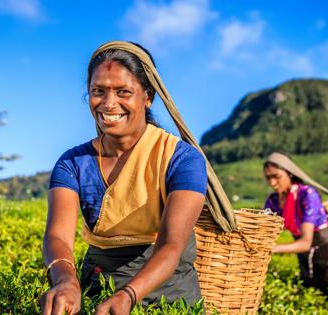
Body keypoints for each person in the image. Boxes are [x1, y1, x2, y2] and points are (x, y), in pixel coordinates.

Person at [40, 41, 207, 315]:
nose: (108, 103)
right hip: (98, 287)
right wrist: (66, 282)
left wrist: (129, 295)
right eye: (98, 91)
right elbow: (57, 236)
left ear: (148, 96)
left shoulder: (181, 159)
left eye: (123, 92)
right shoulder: (72, 164)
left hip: (169, 293)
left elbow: (171, 245)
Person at [263, 152, 328, 298]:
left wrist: (272, 248)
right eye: (268, 177)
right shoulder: (273, 201)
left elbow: (306, 242)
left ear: (290, 174)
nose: (272, 183)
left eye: (277, 176)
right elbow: (264, 230)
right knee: (312, 299)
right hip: (305, 259)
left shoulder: (307, 194)